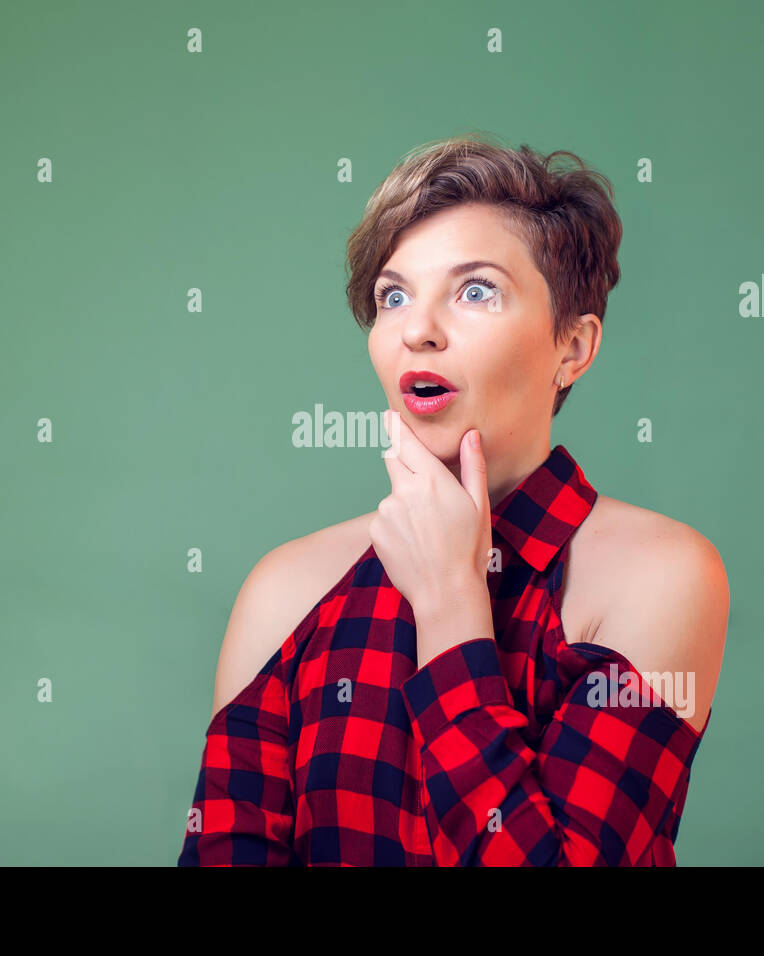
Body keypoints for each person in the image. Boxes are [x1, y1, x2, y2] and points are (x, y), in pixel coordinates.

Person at [178, 133, 729, 866]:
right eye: (393, 296)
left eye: (475, 291)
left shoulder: (663, 575)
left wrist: (450, 609)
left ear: (573, 346)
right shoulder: (286, 591)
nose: (418, 330)